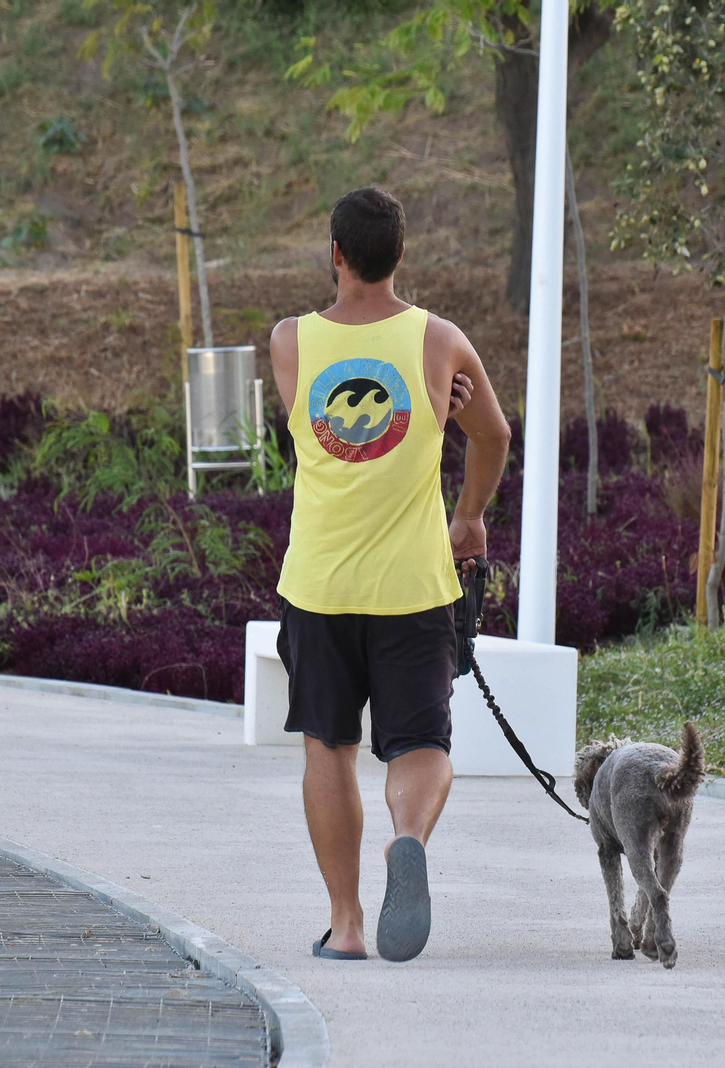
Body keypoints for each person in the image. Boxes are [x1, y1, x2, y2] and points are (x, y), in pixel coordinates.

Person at [268, 186, 511, 962]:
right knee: (420, 745)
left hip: (320, 585)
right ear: (401, 254)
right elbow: (494, 435)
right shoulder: (440, 342)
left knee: (328, 747)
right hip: (413, 584)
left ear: (336, 254)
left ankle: (345, 927)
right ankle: (408, 836)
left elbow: (312, 426)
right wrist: (468, 516)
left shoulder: (290, 342)